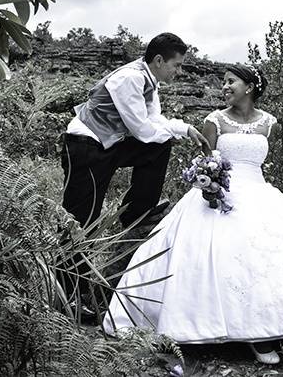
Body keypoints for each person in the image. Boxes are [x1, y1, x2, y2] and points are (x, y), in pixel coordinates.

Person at [103, 64, 283, 365]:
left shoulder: (269, 123)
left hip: (260, 192)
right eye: (223, 82)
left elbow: (264, 162)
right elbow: (205, 160)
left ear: (249, 87)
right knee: (229, 256)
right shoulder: (214, 120)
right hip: (220, 193)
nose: (224, 87)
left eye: (230, 82)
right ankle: (257, 333)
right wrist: (209, 183)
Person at [60, 33, 209, 313]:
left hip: (107, 144)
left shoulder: (149, 82)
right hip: (85, 146)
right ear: (158, 60)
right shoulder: (130, 78)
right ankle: (70, 295)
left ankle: (137, 210)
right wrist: (171, 132)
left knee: (161, 144)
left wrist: (185, 129)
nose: (179, 72)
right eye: (176, 66)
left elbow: (155, 122)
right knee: (82, 220)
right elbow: (142, 130)